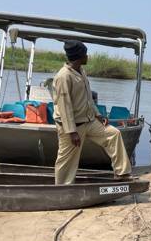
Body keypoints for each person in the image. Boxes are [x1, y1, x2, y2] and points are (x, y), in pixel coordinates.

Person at [52, 40, 131, 185]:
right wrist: (72, 131)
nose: (87, 56)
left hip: (88, 121)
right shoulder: (63, 77)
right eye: (85, 54)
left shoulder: (81, 71)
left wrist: (98, 114)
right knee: (67, 160)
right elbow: (64, 106)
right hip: (70, 126)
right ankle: (62, 188)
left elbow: (88, 98)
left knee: (113, 134)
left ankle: (122, 173)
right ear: (79, 56)